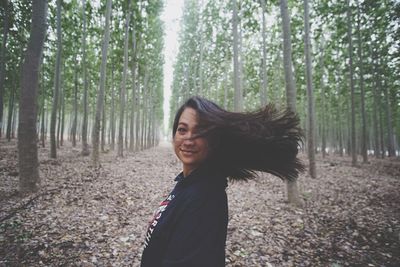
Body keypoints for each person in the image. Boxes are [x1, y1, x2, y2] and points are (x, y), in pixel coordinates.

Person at [140, 96, 304, 267]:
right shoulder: (189, 182)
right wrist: (162, 221)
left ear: (213, 140)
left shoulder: (204, 197)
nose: (188, 139)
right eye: (182, 130)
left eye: (200, 132)